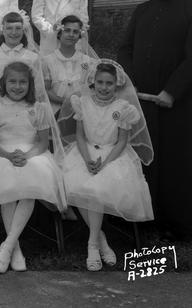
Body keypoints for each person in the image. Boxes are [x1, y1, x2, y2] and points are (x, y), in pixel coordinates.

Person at [118, 0, 192, 236]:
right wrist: (129, 83)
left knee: (175, 160)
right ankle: (141, 216)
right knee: (141, 158)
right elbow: (125, 49)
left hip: (177, 103)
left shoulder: (189, 8)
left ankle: (176, 222)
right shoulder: (142, 10)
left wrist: (172, 92)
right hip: (141, 100)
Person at [57, 61, 153, 271]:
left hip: (113, 155)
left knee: (96, 188)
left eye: (109, 83)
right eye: (100, 82)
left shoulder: (123, 109)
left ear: (117, 85)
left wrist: (106, 163)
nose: (104, 87)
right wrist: (87, 159)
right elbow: (80, 136)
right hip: (85, 152)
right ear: (93, 82)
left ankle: (92, 246)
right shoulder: (82, 103)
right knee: (72, 183)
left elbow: (122, 141)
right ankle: (100, 238)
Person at [0, 61, 66, 274]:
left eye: (22, 82)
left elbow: (43, 143)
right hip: (1, 153)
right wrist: (9, 155)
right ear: (4, 83)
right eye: (12, 81)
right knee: (8, 186)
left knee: (30, 184)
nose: (17, 86)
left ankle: (7, 245)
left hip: (32, 153)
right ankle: (15, 249)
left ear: (30, 85)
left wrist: (27, 156)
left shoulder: (39, 108)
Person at [43, 15, 96, 114]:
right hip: (56, 112)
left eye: (75, 32)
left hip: (82, 111)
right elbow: (45, 90)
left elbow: (93, 88)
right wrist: (66, 102)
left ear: (79, 35)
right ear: (59, 33)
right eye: (67, 30)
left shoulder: (87, 61)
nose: (71, 34)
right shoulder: (47, 61)